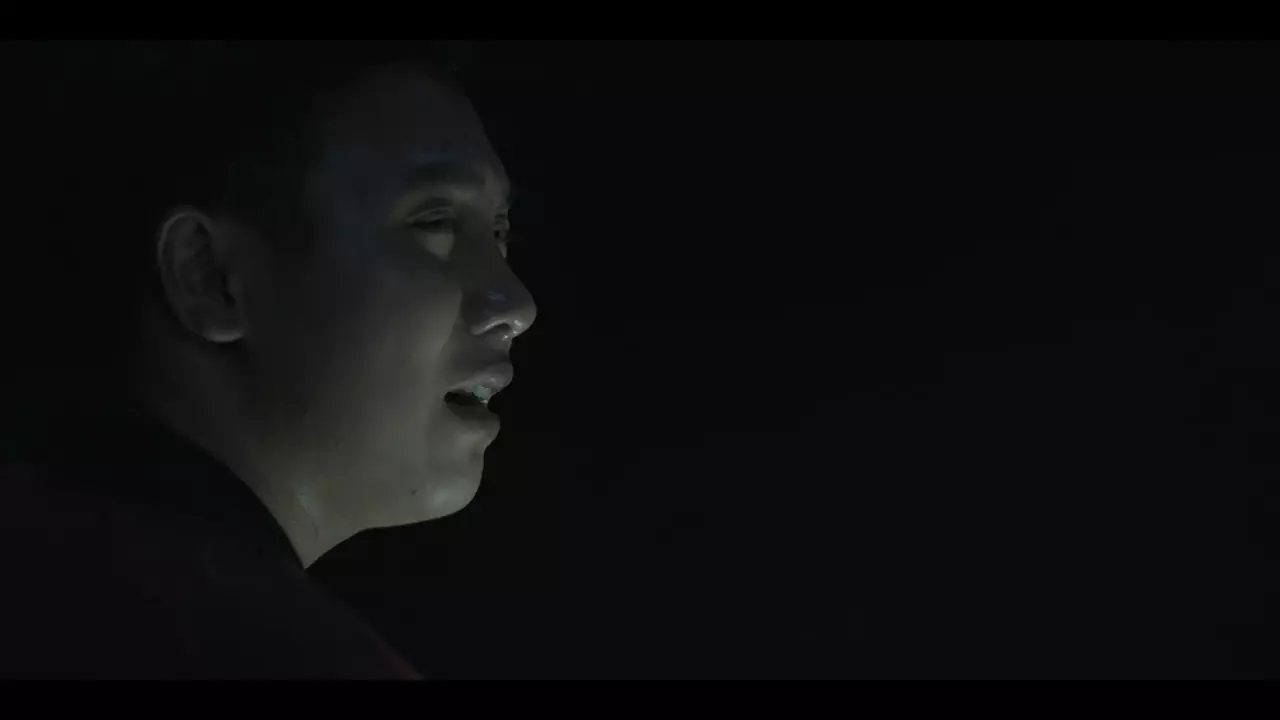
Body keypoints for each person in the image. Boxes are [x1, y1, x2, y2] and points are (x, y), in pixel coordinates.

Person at [0, 41, 536, 678]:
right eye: (434, 219)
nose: (515, 303)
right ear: (210, 276)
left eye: (498, 232)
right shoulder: (262, 651)